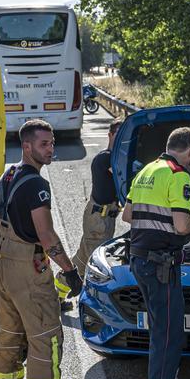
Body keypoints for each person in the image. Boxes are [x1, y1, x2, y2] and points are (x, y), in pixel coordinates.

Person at [0, 119, 82, 379]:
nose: (51, 149)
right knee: (45, 334)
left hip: (2, 262)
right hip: (26, 267)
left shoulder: (8, 174)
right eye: (44, 144)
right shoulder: (36, 184)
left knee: (11, 331)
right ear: (26, 146)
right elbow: (46, 235)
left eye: (52, 143)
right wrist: (69, 271)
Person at [121, 126, 190, 379]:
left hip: (140, 260)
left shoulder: (147, 171)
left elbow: (127, 216)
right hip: (161, 265)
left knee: (159, 326)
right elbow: (181, 226)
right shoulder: (178, 174)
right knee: (169, 333)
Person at [73, 119, 122, 278]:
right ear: (110, 135)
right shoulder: (106, 158)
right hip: (98, 220)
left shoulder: (117, 158)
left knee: (83, 259)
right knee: (95, 263)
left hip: (104, 218)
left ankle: (61, 288)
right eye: (118, 134)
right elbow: (123, 176)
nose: (122, 138)